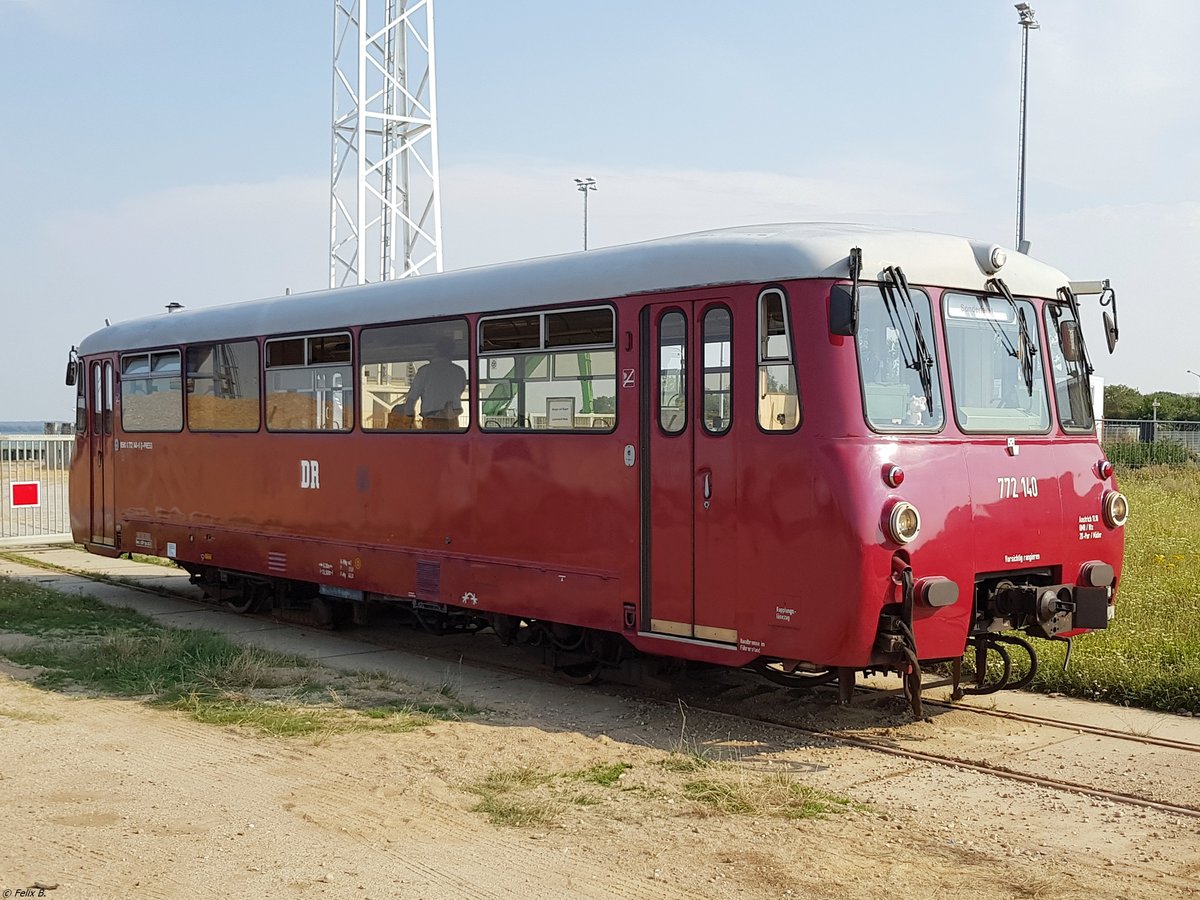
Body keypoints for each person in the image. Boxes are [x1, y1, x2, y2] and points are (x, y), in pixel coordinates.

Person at [394, 336, 466, 430]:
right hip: (453, 423)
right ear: (452, 352)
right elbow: (460, 390)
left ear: (436, 351)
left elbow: (411, 399)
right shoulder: (459, 371)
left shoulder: (424, 371)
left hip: (431, 423)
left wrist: (408, 422)